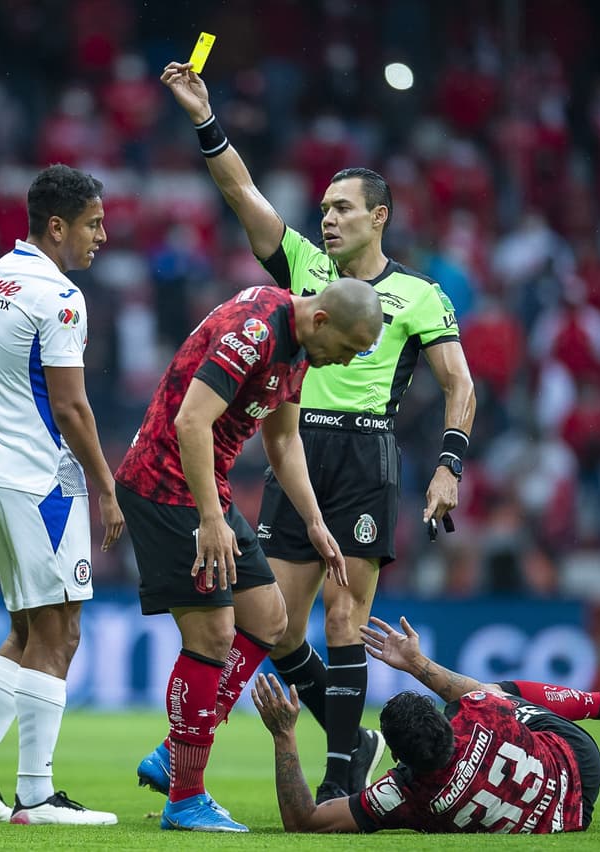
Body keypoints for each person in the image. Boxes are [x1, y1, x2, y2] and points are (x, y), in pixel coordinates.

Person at [161, 61, 478, 802]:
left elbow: (459, 382)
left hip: (366, 452)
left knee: (346, 614)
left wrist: (449, 465)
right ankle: (343, 742)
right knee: (273, 623)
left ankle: (339, 772)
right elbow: (240, 191)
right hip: (295, 447)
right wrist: (205, 118)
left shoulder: (419, 294)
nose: (327, 218)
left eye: (343, 208)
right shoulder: (303, 265)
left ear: (380, 217)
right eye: (326, 207)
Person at [119, 278, 384, 832]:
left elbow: (283, 441)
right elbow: (190, 421)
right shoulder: (256, 332)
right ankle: (185, 798)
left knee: (269, 616)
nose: (343, 362)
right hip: (167, 487)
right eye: (347, 349)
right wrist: (211, 520)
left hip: (205, 487)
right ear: (322, 321)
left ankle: (177, 750)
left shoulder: (299, 348)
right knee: (212, 635)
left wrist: (315, 522)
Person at [0, 164, 124, 827]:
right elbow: (71, 408)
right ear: (57, 226)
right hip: (42, 481)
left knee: (24, 630)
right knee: (60, 630)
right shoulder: (60, 295)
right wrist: (106, 488)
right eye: (94, 223)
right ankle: (37, 796)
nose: (103, 235)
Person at [251, 613, 600, 833]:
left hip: (561, 822)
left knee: (494, 691)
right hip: (579, 770)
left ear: (401, 761)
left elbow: (305, 822)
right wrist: (416, 663)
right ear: (446, 721)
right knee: (497, 690)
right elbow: (465, 690)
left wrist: (284, 734)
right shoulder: (478, 715)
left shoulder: (403, 794)